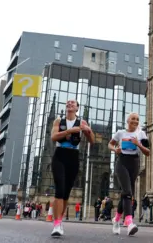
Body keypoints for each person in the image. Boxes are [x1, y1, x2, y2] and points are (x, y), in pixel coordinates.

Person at [50, 99, 95, 237]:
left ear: (77, 108)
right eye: (68, 103)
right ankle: (56, 224)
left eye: (73, 103)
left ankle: (60, 220)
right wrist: (69, 131)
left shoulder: (82, 122)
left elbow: (92, 141)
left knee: (66, 193)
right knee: (60, 189)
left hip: (73, 157)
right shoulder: (58, 121)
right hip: (59, 155)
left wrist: (87, 131)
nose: (69, 104)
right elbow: (53, 137)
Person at [108, 112, 150, 236]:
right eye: (133, 119)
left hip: (134, 163)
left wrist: (138, 144)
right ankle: (129, 222)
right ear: (128, 120)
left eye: (137, 119)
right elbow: (110, 144)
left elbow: (148, 152)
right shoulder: (120, 133)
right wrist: (115, 149)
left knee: (126, 193)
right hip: (122, 162)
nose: (135, 121)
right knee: (128, 192)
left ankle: (116, 220)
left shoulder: (141, 133)